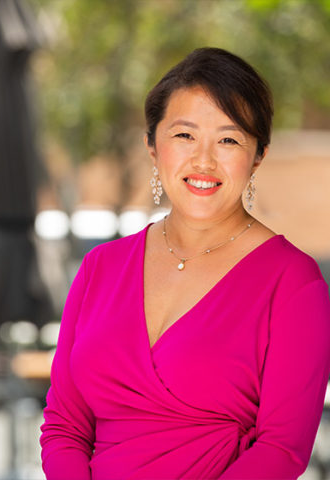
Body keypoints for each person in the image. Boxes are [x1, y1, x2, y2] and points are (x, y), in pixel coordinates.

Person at [39, 47, 330, 479]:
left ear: (258, 155)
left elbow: (282, 450)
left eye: (228, 140)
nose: (204, 160)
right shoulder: (101, 267)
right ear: (152, 146)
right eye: (184, 135)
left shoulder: (292, 282)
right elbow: (64, 426)